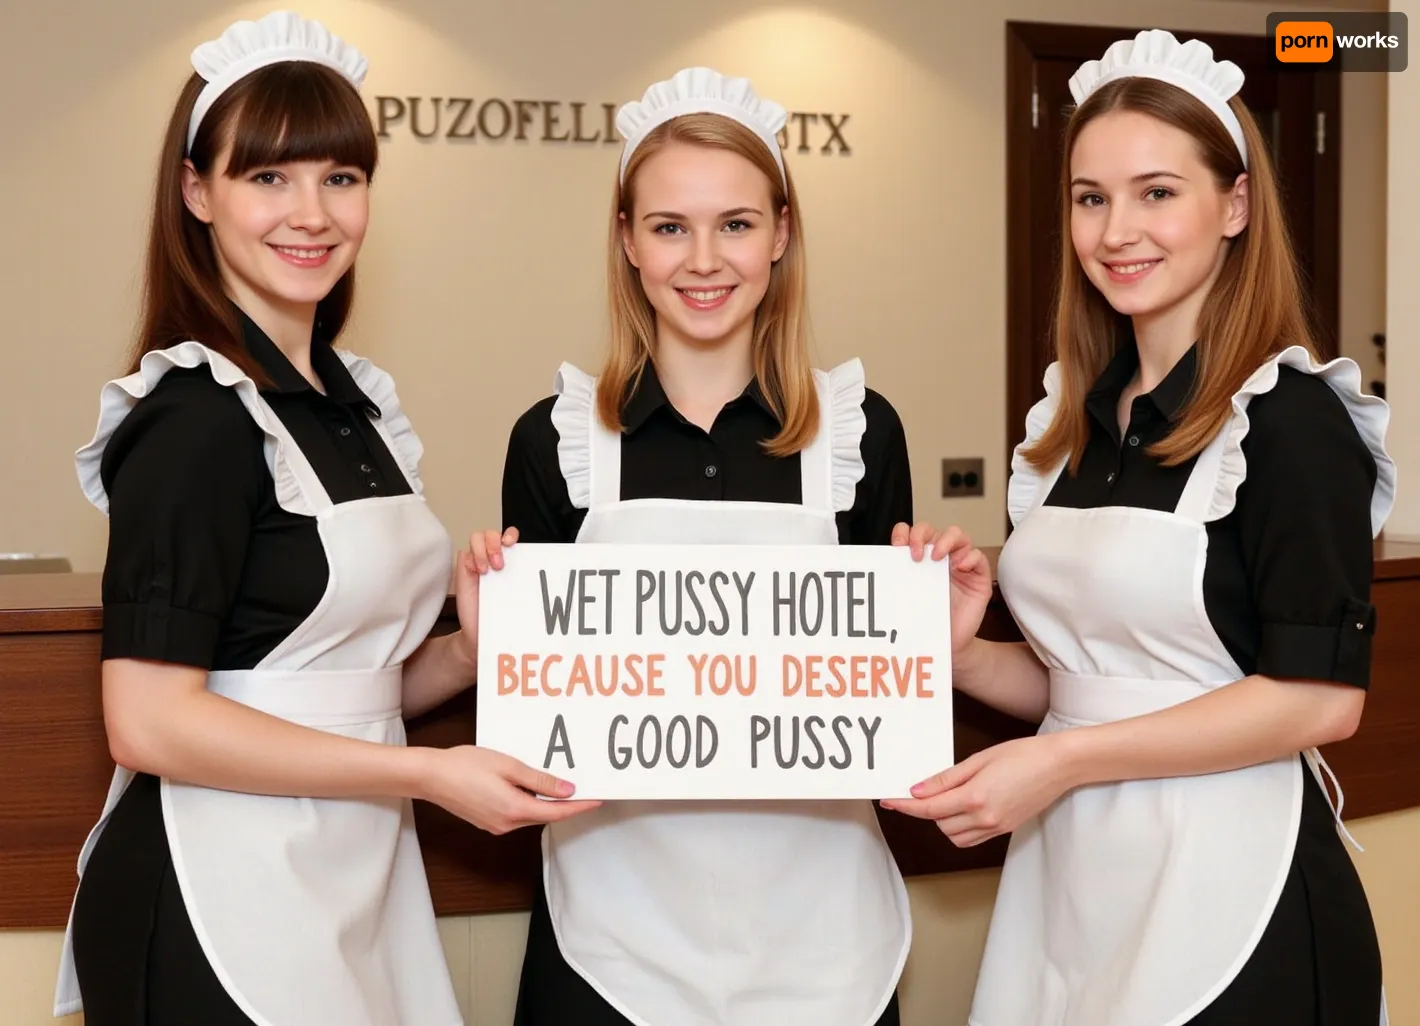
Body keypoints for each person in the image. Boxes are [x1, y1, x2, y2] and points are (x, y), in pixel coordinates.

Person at [52, 12, 597, 1026]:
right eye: (269, 178)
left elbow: (332, 681)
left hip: (345, 868)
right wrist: (426, 774)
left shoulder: (349, 404)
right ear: (196, 191)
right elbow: (149, 721)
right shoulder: (190, 419)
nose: (312, 213)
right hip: (216, 888)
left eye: (340, 178)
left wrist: (467, 654)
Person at [885, 29, 1394, 1026]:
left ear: (1234, 205)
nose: (1117, 229)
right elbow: (1091, 684)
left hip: (1229, 885)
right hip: (1074, 879)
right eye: (1090, 197)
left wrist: (1060, 762)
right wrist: (967, 656)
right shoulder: (1074, 422)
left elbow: (1319, 704)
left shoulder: (1292, 423)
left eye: (1157, 192)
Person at [471, 66, 931, 1026]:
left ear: (781, 234)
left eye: (736, 223)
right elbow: (534, 734)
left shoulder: (861, 432)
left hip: (823, 933)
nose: (703, 258)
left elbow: (888, 701)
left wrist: (940, 635)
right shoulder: (551, 442)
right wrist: (493, 649)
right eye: (670, 226)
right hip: (610, 939)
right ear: (628, 242)